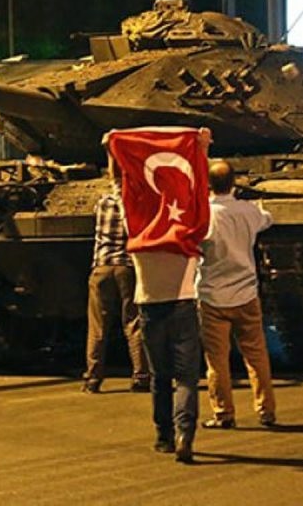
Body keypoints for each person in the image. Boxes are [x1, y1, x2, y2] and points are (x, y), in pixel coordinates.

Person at [107, 127, 212, 464]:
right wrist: (202, 150)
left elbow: (122, 189)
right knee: (186, 378)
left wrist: (113, 150)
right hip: (182, 309)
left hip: (149, 310)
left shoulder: (138, 232)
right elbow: (199, 197)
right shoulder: (186, 232)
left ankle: (162, 436)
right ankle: (185, 434)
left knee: (159, 377)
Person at [197, 160, 277, 429]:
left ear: (208, 184)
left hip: (211, 297)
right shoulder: (248, 211)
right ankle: (266, 410)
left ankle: (223, 413)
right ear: (233, 183)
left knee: (216, 360)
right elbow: (267, 220)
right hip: (246, 294)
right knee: (256, 355)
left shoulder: (202, 214)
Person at [81, 163, 150, 394]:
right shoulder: (135, 204)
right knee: (132, 322)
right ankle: (141, 375)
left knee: (98, 327)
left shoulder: (102, 203)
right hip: (127, 268)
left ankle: (92, 378)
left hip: (101, 267)